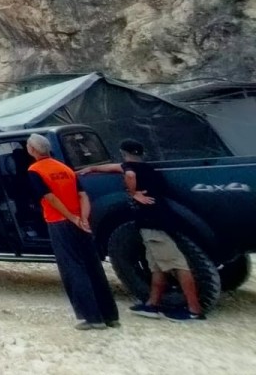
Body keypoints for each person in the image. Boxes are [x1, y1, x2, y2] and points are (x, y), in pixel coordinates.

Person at [80, 139, 205, 321]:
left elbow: (129, 174)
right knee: (156, 267)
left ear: (123, 152)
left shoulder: (130, 170)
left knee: (177, 265)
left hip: (152, 223)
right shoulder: (148, 169)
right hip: (159, 219)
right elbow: (116, 168)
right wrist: (92, 169)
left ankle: (194, 310)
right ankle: (152, 305)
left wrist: (133, 193)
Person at [26, 133, 119, 330]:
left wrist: (70, 217)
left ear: (32, 150)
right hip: (80, 223)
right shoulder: (65, 168)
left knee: (73, 268)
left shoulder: (35, 170)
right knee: (93, 266)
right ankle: (110, 315)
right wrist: (83, 218)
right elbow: (83, 195)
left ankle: (92, 318)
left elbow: (49, 198)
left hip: (60, 223)